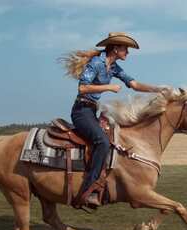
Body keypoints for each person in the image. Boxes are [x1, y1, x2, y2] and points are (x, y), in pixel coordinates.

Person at [64, 32, 164, 208]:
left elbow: (134, 84)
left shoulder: (114, 67)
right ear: (116, 48)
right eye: (125, 48)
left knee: (112, 138)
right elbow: (82, 87)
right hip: (81, 111)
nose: (127, 52)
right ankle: (89, 190)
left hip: (92, 110)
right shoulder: (96, 63)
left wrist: (158, 89)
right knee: (102, 142)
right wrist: (108, 87)